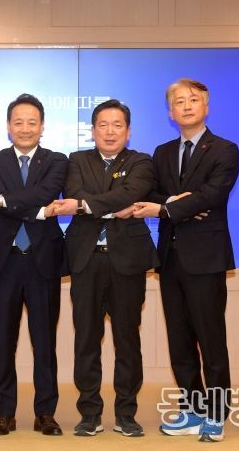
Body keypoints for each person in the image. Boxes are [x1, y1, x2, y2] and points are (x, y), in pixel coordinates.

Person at [133, 78, 239, 442]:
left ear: (206, 106)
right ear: (170, 111)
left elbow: (212, 194)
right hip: (170, 258)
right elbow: (151, 192)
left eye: (193, 99)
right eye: (179, 101)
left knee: (211, 340)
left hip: (206, 259)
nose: (187, 105)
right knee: (179, 341)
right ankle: (193, 409)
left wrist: (167, 208)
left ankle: (217, 413)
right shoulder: (162, 152)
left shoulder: (225, 149)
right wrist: (175, 204)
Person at [51, 99, 158, 438]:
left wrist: (85, 205)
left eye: (117, 125)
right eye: (103, 125)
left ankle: (126, 413)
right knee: (86, 338)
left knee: (127, 339)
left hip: (127, 261)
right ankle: (90, 413)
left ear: (128, 131)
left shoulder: (142, 161)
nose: (110, 132)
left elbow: (133, 192)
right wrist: (113, 204)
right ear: (93, 130)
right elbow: (75, 193)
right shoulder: (76, 160)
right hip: (86, 260)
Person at [0, 93, 68, 436]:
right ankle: (4, 413)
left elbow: (45, 192)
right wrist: (42, 211)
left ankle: (46, 413)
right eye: (18, 122)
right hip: (4, 262)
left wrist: (5, 201)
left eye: (32, 122)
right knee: (3, 342)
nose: (25, 128)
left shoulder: (57, 160)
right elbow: (25, 200)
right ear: (8, 126)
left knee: (44, 343)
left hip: (43, 262)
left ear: (42, 126)